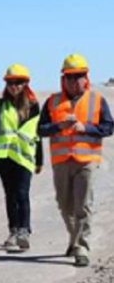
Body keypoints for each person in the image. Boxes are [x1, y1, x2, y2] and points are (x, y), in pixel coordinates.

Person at [37, 54, 114, 267]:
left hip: (86, 161)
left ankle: (82, 247)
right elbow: (40, 129)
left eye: (78, 76)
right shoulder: (52, 101)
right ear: (63, 78)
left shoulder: (97, 100)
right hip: (62, 162)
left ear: (86, 77)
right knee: (64, 205)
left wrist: (86, 128)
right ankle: (74, 238)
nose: (74, 81)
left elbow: (108, 128)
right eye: (70, 77)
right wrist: (58, 126)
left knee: (83, 205)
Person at [0, 64, 44, 252]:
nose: (14, 86)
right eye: (11, 82)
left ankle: (24, 231)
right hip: (4, 157)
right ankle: (13, 231)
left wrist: (40, 159)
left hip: (24, 157)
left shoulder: (34, 106)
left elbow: (38, 133)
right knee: (10, 195)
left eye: (18, 82)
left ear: (25, 83)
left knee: (22, 193)